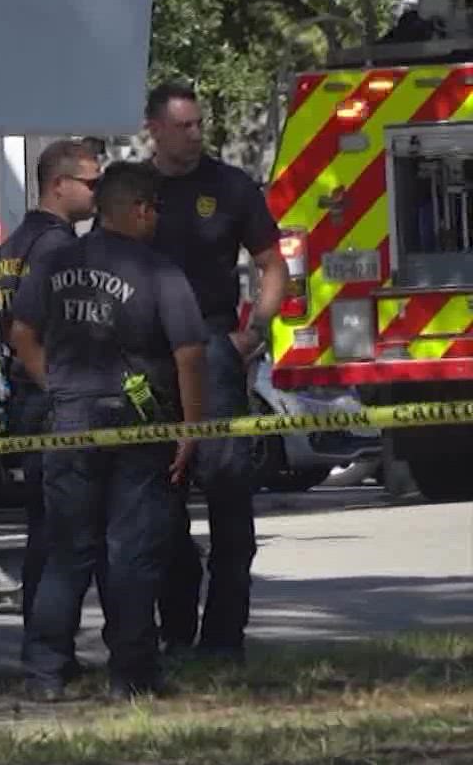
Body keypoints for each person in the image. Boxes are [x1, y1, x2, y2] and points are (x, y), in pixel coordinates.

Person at [8, 161, 209, 699]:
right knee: (131, 553)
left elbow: (20, 332)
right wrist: (191, 430)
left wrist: (56, 385)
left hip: (70, 420)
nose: (157, 218)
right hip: (139, 425)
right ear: (140, 209)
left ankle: (44, 673)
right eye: (155, 209)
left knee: (67, 552)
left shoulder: (56, 261)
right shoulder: (159, 271)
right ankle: (132, 674)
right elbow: (190, 355)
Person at [142, 83, 285, 663]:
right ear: (153, 127)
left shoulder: (230, 187)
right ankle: (176, 631)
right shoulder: (134, 190)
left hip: (215, 345)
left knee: (229, 497)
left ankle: (225, 637)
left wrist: (256, 329)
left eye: (200, 124)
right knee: (159, 501)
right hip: (150, 358)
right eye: (184, 126)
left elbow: (273, 265)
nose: (196, 134)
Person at [0, 139, 104, 624]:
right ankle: (48, 637)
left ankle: (42, 632)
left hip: (26, 395)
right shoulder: (60, 247)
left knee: (45, 523)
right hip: (53, 396)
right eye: (91, 183)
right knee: (67, 530)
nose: (99, 192)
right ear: (59, 185)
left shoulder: (13, 244)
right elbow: (34, 331)